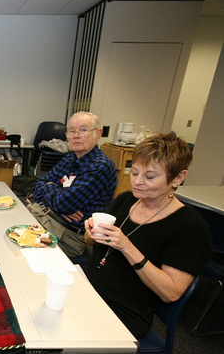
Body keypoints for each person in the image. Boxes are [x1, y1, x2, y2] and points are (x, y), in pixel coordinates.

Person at [83, 132, 211, 338]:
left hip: (124, 309)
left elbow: (170, 292)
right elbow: (89, 243)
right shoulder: (126, 201)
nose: (137, 182)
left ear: (178, 178)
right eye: (134, 172)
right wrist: (91, 234)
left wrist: (126, 246)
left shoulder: (190, 228)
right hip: (89, 285)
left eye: (150, 177)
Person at [27, 111, 117, 258]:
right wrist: (57, 199)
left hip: (68, 236)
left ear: (98, 133)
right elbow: (38, 186)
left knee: (20, 250)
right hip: (47, 216)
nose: (76, 135)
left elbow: (64, 203)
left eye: (83, 130)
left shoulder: (100, 166)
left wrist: (53, 191)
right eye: (71, 131)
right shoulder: (70, 158)